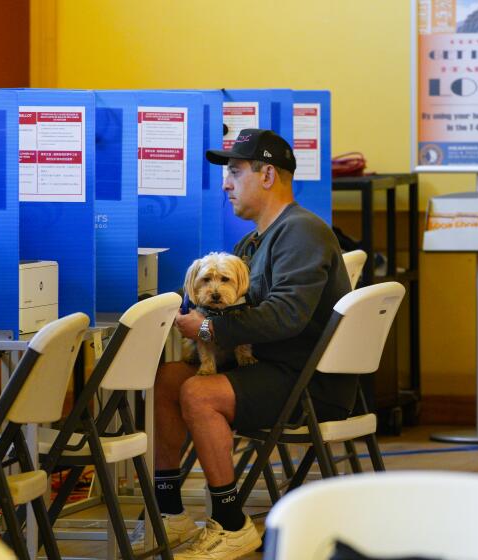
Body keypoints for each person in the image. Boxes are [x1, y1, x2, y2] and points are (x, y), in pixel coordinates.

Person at [151, 129, 357, 559]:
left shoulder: (302, 233)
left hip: (305, 382)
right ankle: (169, 514)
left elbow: (286, 316)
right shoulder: (255, 240)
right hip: (267, 368)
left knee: (197, 391)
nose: (226, 184)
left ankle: (231, 524)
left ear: (267, 175)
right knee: (169, 378)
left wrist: (205, 331)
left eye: (235, 172)